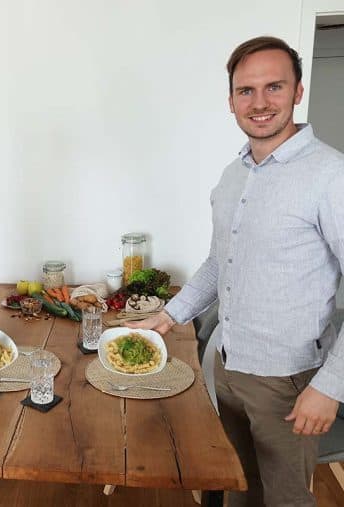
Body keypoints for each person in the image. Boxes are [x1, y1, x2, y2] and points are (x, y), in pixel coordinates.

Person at [128, 36, 344, 507]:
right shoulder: (234, 175)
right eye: (246, 91)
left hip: (289, 380)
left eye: (274, 87)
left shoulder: (331, 176)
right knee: (239, 488)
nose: (260, 102)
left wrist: (330, 386)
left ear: (298, 91)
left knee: (286, 499)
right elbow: (216, 263)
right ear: (231, 101)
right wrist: (166, 317)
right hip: (227, 366)